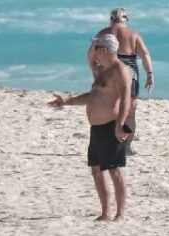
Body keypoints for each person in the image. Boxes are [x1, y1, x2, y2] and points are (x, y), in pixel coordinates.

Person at [49, 34, 133, 222]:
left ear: (105, 49)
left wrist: (120, 124)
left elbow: (126, 99)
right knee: (96, 170)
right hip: (96, 128)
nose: (93, 51)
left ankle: (120, 214)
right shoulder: (102, 71)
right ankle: (106, 212)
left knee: (114, 171)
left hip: (111, 126)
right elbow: (93, 96)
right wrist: (67, 101)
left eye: (96, 48)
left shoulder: (119, 69)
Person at [90, 7, 154, 151]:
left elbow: (92, 54)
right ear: (126, 20)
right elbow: (145, 55)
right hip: (129, 72)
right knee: (130, 113)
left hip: (108, 69)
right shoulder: (133, 34)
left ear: (111, 19)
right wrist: (150, 74)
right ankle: (126, 147)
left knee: (108, 109)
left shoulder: (103, 33)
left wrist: (95, 73)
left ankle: (108, 144)